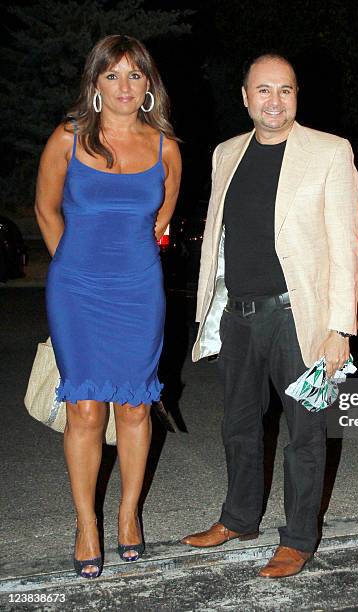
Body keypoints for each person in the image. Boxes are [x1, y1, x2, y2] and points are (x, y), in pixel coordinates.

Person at [181, 53, 358, 578]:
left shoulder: (330, 152)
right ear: (244, 96)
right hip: (238, 316)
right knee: (238, 425)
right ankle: (239, 517)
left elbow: (345, 247)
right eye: (263, 90)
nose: (274, 101)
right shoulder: (225, 153)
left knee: (306, 431)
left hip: (299, 320)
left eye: (284, 90)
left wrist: (339, 328)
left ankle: (299, 536)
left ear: (297, 94)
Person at [35, 35, 181, 578]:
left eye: (135, 76)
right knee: (86, 407)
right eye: (113, 75)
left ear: (149, 85)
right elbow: (46, 209)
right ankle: (86, 522)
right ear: (95, 83)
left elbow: (160, 221)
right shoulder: (67, 139)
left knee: (137, 405)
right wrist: (71, 266)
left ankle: (127, 516)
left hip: (138, 289)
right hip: (76, 289)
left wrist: (125, 265)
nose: (125, 86)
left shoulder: (166, 147)